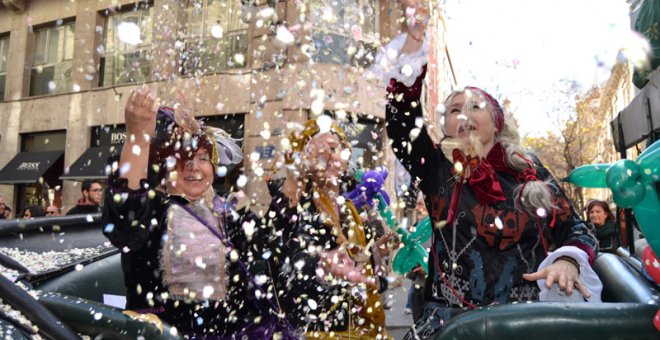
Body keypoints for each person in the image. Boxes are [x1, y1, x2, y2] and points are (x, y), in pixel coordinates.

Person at [379, 8, 601, 336]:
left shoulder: (529, 168)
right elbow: (402, 122)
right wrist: (413, 50)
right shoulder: (437, 167)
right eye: (454, 110)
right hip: (454, 326)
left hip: (525, 324)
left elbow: (577, 229)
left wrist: (568, 261)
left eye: (474, 106)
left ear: (496, 123)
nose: (463, 114)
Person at [102, 87, 291, 338]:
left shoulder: (226, 213)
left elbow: (274, 244)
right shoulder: (154, 210)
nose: (193, 167)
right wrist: (137, 138)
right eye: (181, 158)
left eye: (203, 157)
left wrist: (295, 179)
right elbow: (127, 224)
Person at [265, 117, 390, 338]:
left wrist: (375, 255)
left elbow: (357, 269)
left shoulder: (349, 210)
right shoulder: (294, 203)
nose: (329, 156)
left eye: (333, 148)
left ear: (346, 155)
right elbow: (274, 257)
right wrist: (322, 266)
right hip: (312, 331)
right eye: (318, 151)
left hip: (357, 329)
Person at [404, 192, 429, 322]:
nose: (417, 208)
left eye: (420, 204)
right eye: (417, 204)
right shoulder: (415, 227)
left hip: (432, 291)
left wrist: (428, 268)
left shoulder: (437, 229)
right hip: (417, 288)